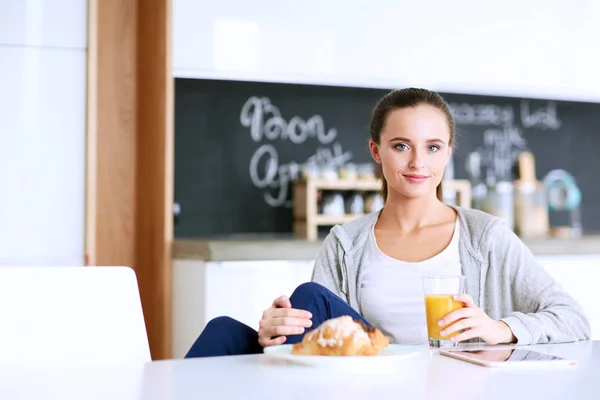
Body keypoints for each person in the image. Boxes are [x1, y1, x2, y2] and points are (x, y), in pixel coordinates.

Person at [185, 88, 591, 358]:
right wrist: (277, 328)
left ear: (448, 153)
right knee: (223, 330)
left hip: (445, 383)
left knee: (307, 295)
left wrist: (499, 327)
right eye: (401, 146)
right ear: (376, 151)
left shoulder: (486, 237)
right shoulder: (346, 243)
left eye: (432, 147)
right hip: (368, 379)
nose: (418, 163)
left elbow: (573, 319)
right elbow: (320, 343)